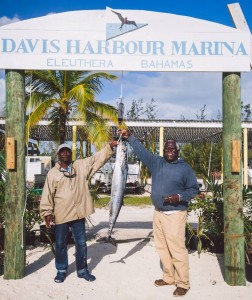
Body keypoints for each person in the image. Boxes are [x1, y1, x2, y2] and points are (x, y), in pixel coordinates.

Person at [120, 129, 198, 297]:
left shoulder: (185, 168)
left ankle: (183, 283)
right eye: (167, 149)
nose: (169, 151)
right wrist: (130, 137)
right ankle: (169, 277)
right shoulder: (157, 162)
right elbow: (141, 152)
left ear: (178, 151)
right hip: (158, 213)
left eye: (172, 149)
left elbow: (194, 189)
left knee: (177, 249)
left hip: (176, 214)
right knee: (162, 248)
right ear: (164, 151)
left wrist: (178, 197)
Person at [39, 141, 118, 283]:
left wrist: (109, 147)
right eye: (62, 151)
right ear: (58, 154)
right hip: (61, 214)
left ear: (70, 153)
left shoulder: (80, 166)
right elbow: (47, 194)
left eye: (67, 151)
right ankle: (61, 270)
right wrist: (47, 213)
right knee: (61, 244)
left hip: (78, 213)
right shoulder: (52, 173)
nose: (65, 153)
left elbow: (96, 159)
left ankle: (82, 270)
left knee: (81, 243)